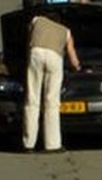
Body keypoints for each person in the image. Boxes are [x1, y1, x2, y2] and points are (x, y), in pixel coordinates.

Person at [23, 10, 82, 152]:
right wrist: (78, 67)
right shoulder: (66, 31)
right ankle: (52, 145)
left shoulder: (37, 20)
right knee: (52, 101)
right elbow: (72, 55)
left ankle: (28, 143)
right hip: (55, 58)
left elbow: (28, 36)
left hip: (36, 54)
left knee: (32, 99)